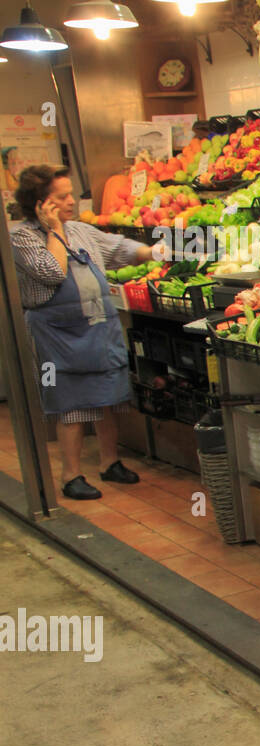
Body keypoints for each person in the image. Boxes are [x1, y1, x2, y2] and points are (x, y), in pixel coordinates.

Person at [10, 164, 150, 500]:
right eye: (62, 197)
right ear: (41, 204)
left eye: (71, 194)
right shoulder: (23, 237)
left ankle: (109, 463)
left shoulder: (81, 230)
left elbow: (117, 248)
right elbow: (52, 271)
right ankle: (71, 475)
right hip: (57, 336)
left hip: (99, 329)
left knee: (108, 398)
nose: (72, 201)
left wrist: (158, 251)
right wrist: (54, 230)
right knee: (69, 403)